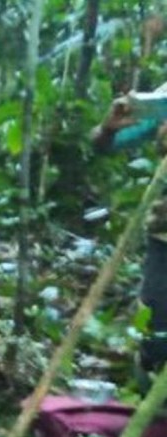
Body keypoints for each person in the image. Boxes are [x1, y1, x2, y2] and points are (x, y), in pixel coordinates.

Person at [92, 97, 167, 381]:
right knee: (157, 334)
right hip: (164, 234)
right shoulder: (163, 100)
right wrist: (109, 128)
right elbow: (104, 144)